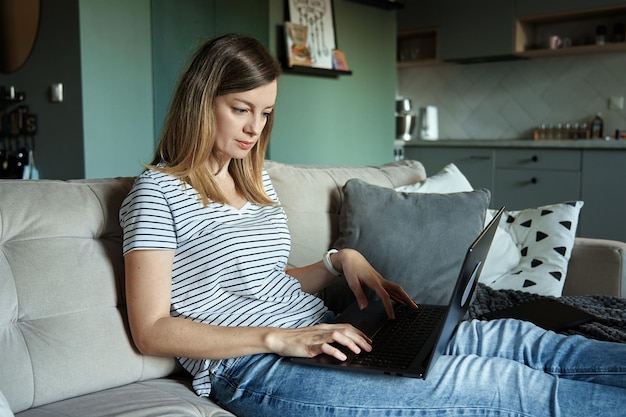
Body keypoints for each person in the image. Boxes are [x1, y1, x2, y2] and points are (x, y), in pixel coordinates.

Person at [120, 33, 626, 417]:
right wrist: (279, 339)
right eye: (241, 110)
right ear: (201, 100)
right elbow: (152, 329)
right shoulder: (157, 193)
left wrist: (342, 260)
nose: (256, 128)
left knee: (521, 343)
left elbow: (267, 281)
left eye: (266, 113)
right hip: (252, 367)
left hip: (327, 334)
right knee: (512, 389)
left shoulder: (253, 182)